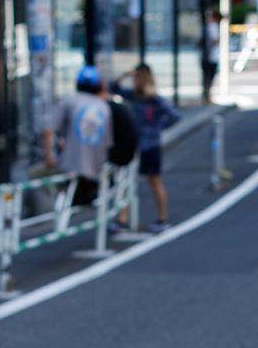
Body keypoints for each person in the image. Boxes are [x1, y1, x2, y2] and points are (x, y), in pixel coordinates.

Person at [112, 64, 181, 232]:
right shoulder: (134, 96)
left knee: (154, 181)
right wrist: (126, 73)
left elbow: (175, 116)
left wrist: (157, 128)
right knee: (127, 183)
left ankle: (163, 218)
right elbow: (113, 88)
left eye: (138, 77)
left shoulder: (155, 99)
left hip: (151, 146)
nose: (136, 81)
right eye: (135, 78)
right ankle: (123, 218)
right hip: (135, 146)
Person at [44, 65, 113, 207]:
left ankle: (44, 218)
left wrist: (49, 156)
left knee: (35, 176)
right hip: (95, 169)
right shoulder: (104, 107)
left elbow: (49, 130)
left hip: (69, 166)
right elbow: (108, 141)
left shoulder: (68, 102)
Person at [199, 9, 222, 103]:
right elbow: (215, 40)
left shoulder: (204, 27)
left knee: (206, 77)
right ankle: (207, 97)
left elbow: (198, 41)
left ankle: (206, 96)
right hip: (211, 56)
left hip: (205, 55)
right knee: (209, 77)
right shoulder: (213, 26)